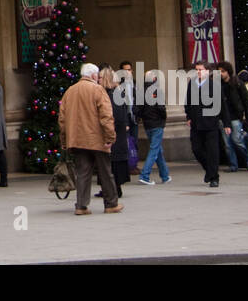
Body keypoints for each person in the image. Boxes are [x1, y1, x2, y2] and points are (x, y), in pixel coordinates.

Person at [58, 63, 121, 214]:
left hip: (77, 139)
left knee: (83, 173)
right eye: (98, 76)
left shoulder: (70, 91)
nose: (98, 79)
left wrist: (64, 140)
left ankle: (81, 205)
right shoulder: (97, 90)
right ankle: (111, 203)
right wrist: (110, 137)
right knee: (105, 172)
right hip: (96, 139)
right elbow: (106, 116)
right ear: (93, 76)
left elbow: (62, 119)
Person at [186, 61, 226, 189]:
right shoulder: (192, 84)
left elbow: (222, 105)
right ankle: (209, 170)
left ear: (207, 71)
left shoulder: (214, 85)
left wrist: (226, 123)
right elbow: (188, 102)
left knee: (212, 151)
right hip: (196, 123)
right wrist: (188, 116)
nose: (198, 72)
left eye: (201, 69)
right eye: (197, 69)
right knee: (196, 149)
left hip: (210, 123)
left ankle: (214, 177)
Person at [100, 66, 132, 196]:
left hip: (115, 136)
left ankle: (114, 189)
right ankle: (110, 189)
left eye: (101, 77)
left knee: (113, 163)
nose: (98, 79)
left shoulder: (113, 94)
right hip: (114, 135)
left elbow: (118, 117)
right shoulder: (111, 93)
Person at [136, 69, 171, 185]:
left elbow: (137, 109)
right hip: (157, 123)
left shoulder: (141, 92)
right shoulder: (157, 91)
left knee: (157, 149)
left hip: (147, 124)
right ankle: (145, 175)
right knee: (154, 149)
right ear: (155, 79)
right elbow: (161, 108)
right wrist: (163, 118)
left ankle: (165, 175)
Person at [217, 61, 248, 171]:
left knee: (237, 140)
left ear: (228, 72)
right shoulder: (219, 85)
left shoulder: (237, 83)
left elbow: (246, 101)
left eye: (223, 71)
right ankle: (233, 164)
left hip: (235, 116)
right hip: (224, 117)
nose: (221, 74)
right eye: (220, 71)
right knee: (227, 143)